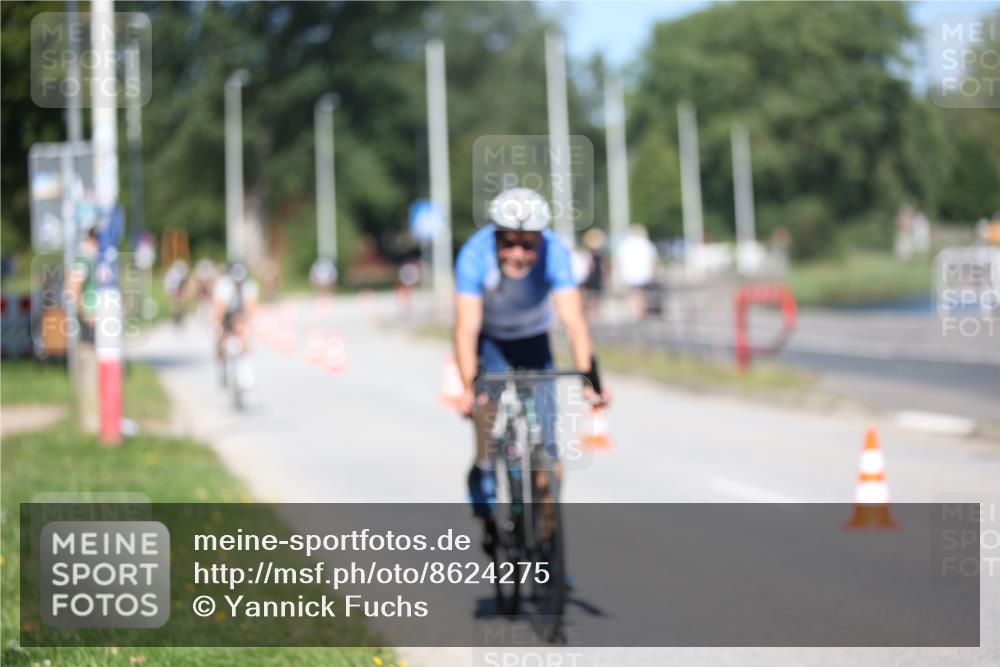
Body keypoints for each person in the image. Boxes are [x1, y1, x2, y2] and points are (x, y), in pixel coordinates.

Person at [453, 187, 609, 533]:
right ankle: (483, 471)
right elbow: (466, 328)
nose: (518, 254)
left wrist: (590, 379)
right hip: (491, 340)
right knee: (485, 411)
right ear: (494, 238)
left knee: (549, 450)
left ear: (542, 239)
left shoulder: (556, 252)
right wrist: (468, 387)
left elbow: (574, 322)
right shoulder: (474, 255)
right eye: (508, 243)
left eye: (528, 245)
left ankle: (550, 555)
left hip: (534, 341)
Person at [212, 261, 259, 384]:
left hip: (241, 314)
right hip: (226, 313)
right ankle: (222, 367)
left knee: (244, 338)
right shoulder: (223, 286)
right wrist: (218, 323)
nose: (238, 284)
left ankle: (246, 370)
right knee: (221, 340)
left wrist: (245, 321)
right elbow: (219, 308)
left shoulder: (250, 286)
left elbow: (251, 308)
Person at [614, 224, 659, 320]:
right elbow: (652, 261)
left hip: (629, 275)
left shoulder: (625, 244)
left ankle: (635, 311)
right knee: (641, 294)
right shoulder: (647, 244)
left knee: (633, 294)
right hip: (644, 274)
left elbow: (619, 261)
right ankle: (640, 312)